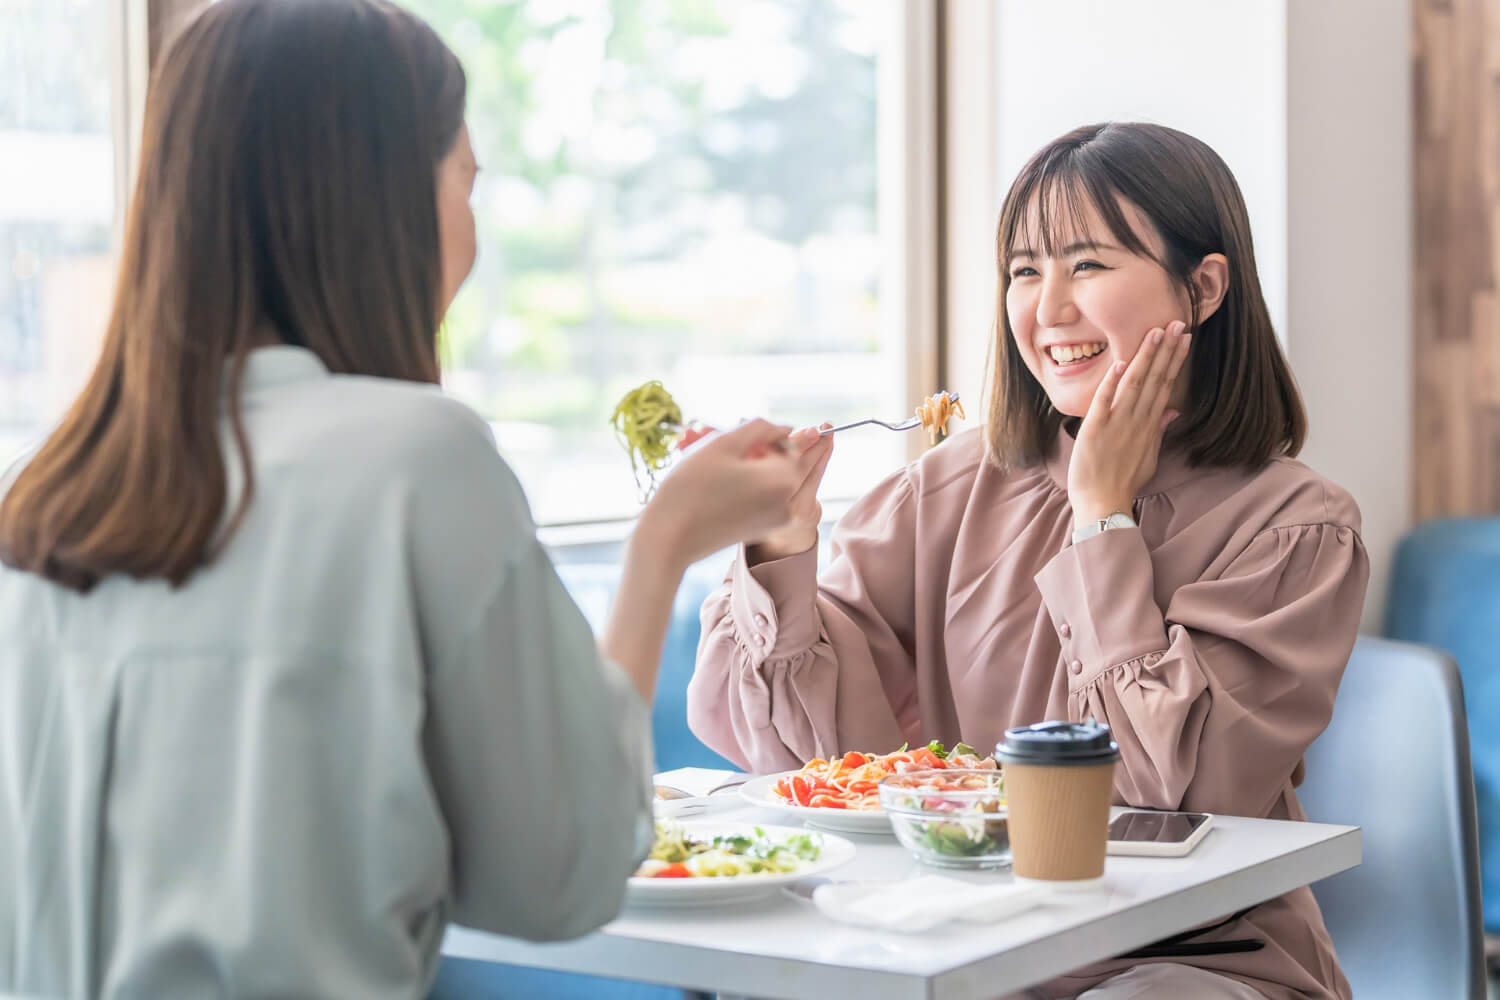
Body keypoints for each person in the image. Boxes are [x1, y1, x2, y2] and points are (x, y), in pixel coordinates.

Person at [0, 2, 811, 997]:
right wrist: (666, 542)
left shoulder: (42, 496)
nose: (471, 224)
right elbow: (561, 875)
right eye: (465, 179)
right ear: (379, 202)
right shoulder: (415, 462)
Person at [689, 122, 1367, 1000]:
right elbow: (801, 763)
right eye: (1023, 271)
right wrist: (779, 550)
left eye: (1087, 265)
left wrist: (1101, 520)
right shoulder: (947, 488)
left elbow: (1174, 794)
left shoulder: (1296, 527)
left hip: (1184, 961)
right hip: (955, 948)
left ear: (1202, 288)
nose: (1047, 310)